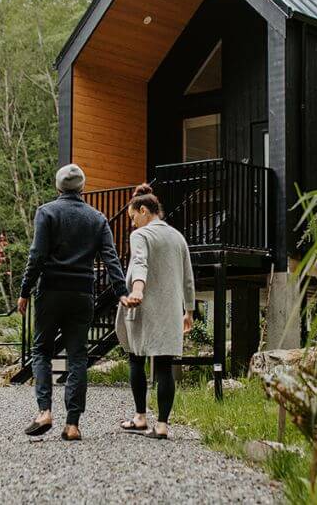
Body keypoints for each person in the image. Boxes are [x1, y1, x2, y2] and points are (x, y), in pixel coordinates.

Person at [17, 163, 127, 441]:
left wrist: (25, 290)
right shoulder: (97, 218)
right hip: (82, 293)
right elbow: (111, 258)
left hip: (51, 290)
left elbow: (36, 256)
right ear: (82, 188)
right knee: (78, 357)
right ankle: (73, 425)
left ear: (58, 187)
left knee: (41, 350)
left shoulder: (47, 212)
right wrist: (121, 291)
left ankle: (44, 411)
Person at [115, 183, 194, 440]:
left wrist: (137, 290)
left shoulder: (142, 235)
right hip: (171, 311)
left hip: (143, 308)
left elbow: (139, 263)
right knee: (164, 365)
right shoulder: (178, 237)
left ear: (144, 210)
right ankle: (161, 425)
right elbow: (188, 278)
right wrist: (189, 311)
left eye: (133, 217)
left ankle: (140, 417)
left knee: (136, 358)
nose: (133, 223)